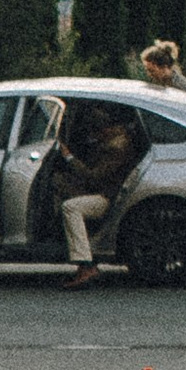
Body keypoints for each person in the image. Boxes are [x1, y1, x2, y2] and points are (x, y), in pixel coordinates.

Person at [44, 91, 149, 288]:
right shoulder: (112, 142)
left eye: (95, 131)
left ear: (105, 129)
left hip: (105, 196)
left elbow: (94, 177)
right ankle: (62, 234)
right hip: (101, 189)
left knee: (70, 207)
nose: (92, 136)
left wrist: (69, 157)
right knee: (57, 181)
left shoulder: (116, 149)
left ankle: (85, 263)